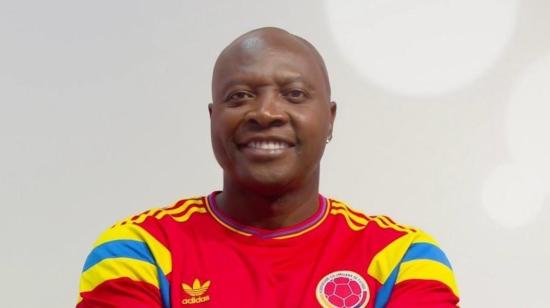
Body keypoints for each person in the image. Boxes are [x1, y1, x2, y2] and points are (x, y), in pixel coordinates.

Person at [77, 27, 459, 307]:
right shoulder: (139, 251)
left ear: (329, 119)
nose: (266, 112)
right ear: (213, 119)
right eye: (240, 96)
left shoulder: (403, 258)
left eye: (293, 95)